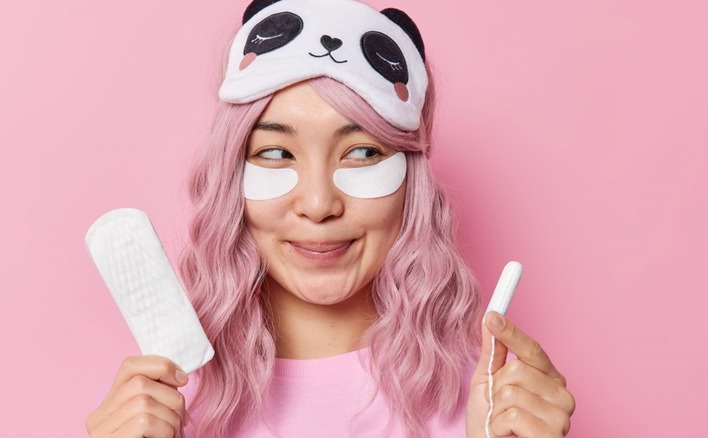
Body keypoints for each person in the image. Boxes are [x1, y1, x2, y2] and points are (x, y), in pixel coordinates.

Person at [86, 0, 575, 436]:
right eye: (276, 153)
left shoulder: (489, 410)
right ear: (230, 179)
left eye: (361, 153)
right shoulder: (167, 409)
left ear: (411, 183)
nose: (318, 204)